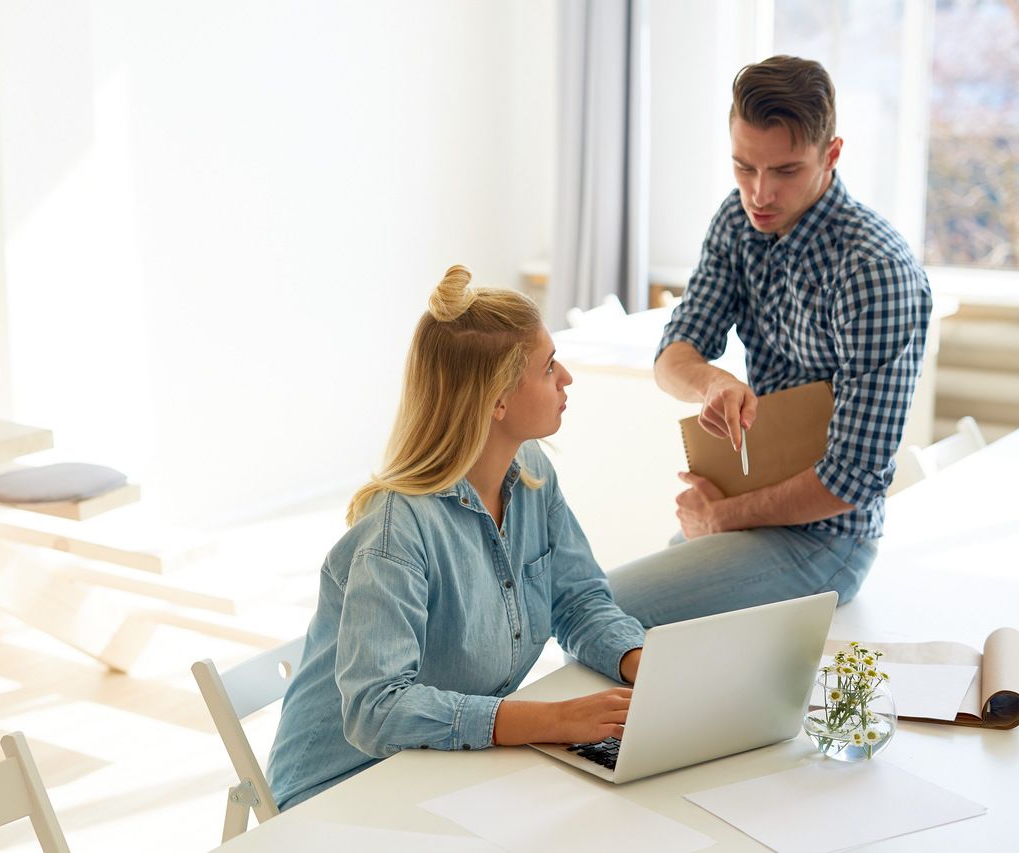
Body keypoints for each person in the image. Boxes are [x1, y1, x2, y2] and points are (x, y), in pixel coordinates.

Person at [266, 265, 646, 809]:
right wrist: (552, 720)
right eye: (549, 366)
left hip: (446, 762)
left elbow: (579, 599)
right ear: (497, 401)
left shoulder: (532, 472)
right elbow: (376, 710)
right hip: (346, 787)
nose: (567, 379)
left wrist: (643, 662)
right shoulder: (396, 530)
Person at [608, 56, 932, 628]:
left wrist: (723, 517)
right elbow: (674, 354)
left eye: (785, 171)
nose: (759, 193)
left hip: (830, 543)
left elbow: (853, 478)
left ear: (831, 155)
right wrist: (714, 380)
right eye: (743, 166)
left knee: (605, 610)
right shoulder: (738, 222)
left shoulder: (874, 271)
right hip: (754, 514)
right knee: (598, 612)